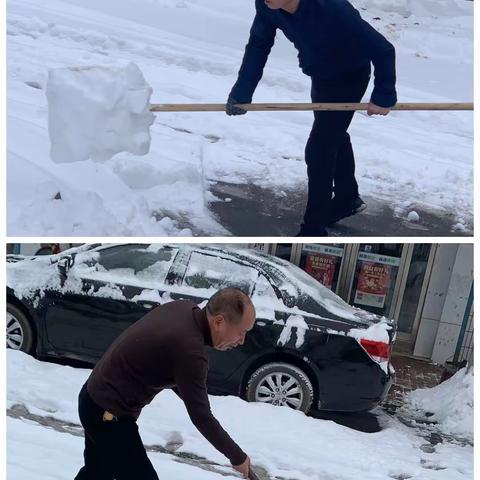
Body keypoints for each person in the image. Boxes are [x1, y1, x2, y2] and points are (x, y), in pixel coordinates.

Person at [226, 0, 397, 236]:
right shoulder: (267, 7)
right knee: (331, 134)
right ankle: (347, 197)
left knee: (319, 148)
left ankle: (314, 228)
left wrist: (384, 94)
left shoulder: (332, 7)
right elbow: (258, 45)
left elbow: (384, 49)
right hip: (320, 75)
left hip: (351, 75)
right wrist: (242, 93)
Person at [75, 288, 256, 479]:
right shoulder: (191, 352)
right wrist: (237, 456)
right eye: (241, 332)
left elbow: (173, 368)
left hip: (93, 397)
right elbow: (201, 417)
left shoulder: (184, 308)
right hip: (108, 414)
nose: (241, 341)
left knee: (97, 472)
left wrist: (194, 396)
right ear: (219, 322)